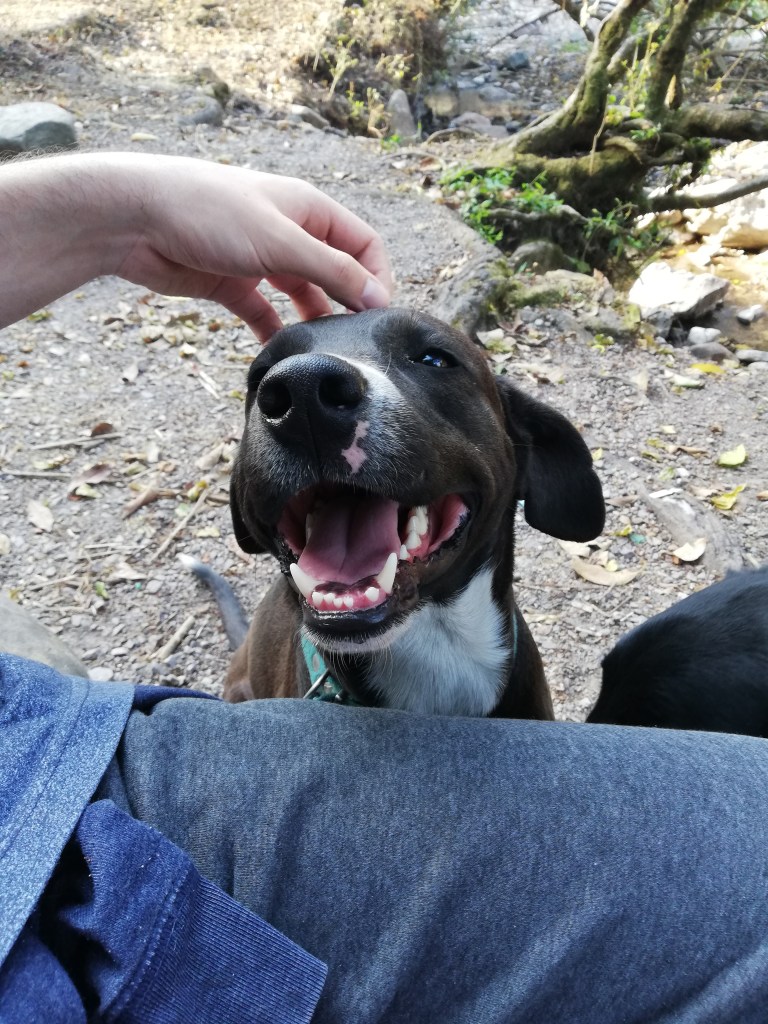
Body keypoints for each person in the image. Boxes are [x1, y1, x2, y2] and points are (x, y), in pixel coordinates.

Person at [2, 152, 768, 1024]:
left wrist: (129, 210)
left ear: (524, 457)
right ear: (251, 509)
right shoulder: (278, 708)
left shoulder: (526, 687)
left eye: (433, 361)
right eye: (276, 383)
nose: (308, 386)